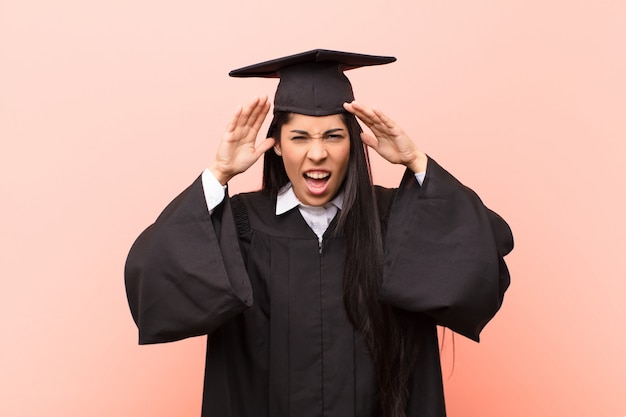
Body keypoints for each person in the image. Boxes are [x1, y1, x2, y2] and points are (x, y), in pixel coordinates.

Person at [125, 49, 514, 417]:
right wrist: (218, 175)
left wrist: (418, 163)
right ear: (276, 146)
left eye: (333, 136)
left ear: (354, 143)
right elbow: (152, 277)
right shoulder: (239, 225)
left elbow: (482, 257)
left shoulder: (394, 220)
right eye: (299, 138)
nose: (317, 154)